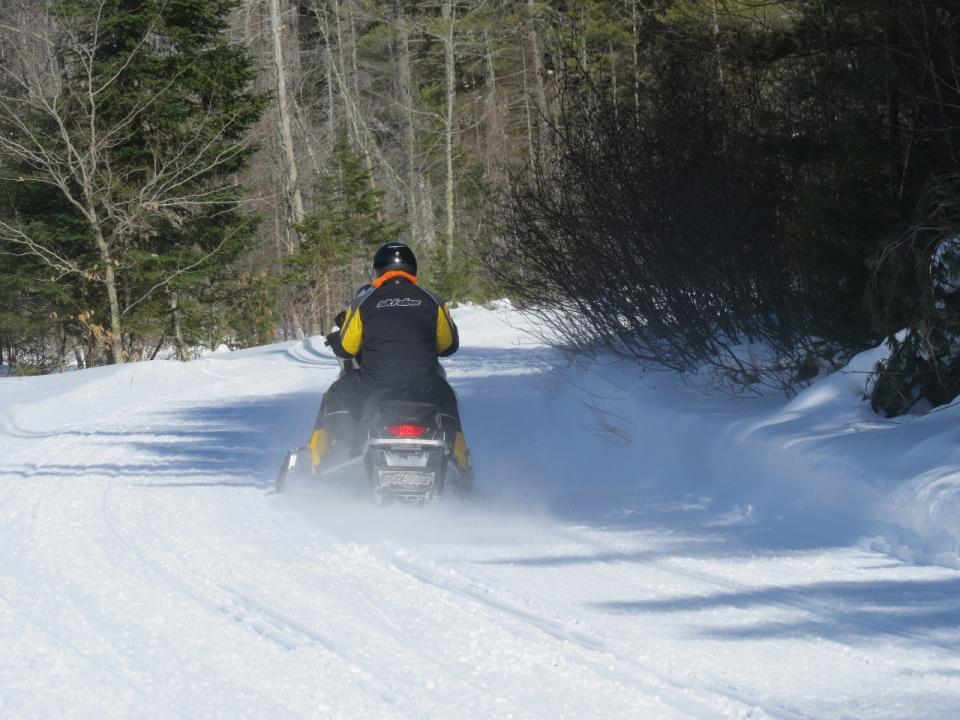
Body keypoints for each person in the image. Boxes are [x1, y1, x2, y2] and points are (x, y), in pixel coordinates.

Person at [308, 242, 470, 474]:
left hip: (376, 385)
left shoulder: (364, 302)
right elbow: (448, 346)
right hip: (425, 385)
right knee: (447, 396)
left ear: (377, 270)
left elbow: (346, 348)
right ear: (412, 268)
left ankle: (335, 453)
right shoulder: (432, 300)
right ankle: (459, 460)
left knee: (337, 392)